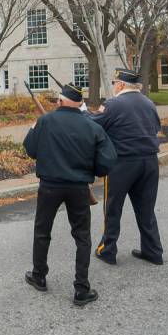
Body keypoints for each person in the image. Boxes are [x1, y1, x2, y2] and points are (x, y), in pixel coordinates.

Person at [23, 83, 117, 306]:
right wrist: (91, 171)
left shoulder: (45, 121)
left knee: (42, 231)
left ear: (60, 101)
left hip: (49, 186)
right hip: (78, 188)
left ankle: (39, 276)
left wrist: (35, 127)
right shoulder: (92, 125)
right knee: (82, 237)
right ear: (80, 103)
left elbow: (31, 150)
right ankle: (81, 289)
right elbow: (107, 161)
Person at [91, 68, 164, 266]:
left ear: (121, 84)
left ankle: (107, 250)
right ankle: (153, 251)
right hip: (149, 162)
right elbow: (156, 128)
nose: (114, 86)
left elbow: (93, 125)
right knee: (146, 209)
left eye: (115, 83)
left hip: (122, 163)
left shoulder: (113, 104)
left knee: (113, 208)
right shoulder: (149, 103)